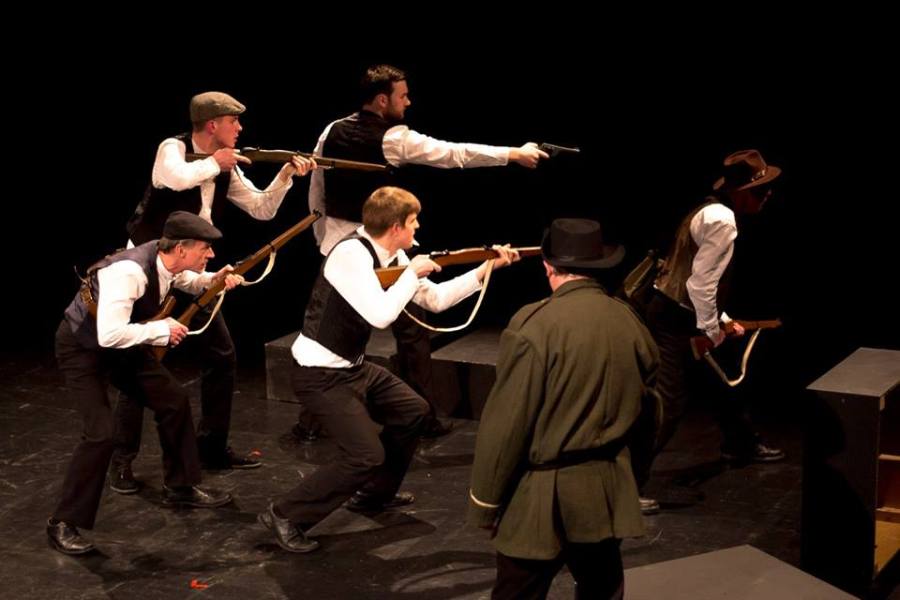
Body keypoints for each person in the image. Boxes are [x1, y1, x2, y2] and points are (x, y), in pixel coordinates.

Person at [259, 186, 519, 553]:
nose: (418, 227)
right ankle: (286, 513)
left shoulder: (393, 255)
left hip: (353, 368)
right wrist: (411, 273)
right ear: (396, 226)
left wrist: (484, 270)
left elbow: (435, 300)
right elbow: (380, 316)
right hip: (319, 374)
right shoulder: (350, 254)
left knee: (413, 411)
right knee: (364, 455)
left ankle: (374, 494)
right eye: (413, 221)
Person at [300, 63, 548, 439]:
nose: (408, 102)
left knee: (338, 329)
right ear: (382, 100)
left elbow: (317, 187)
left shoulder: (332, 129)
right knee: (394, 332)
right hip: (371, 248)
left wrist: (324, 238)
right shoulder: (393, 138)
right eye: (402, 96)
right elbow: (452, 154)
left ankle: (319, 421)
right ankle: (416, 417)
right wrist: (513, 154)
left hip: (343, 246)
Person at [110, 92, 316, 492]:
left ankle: (212, 448)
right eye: (233, 122)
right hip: (149, 271)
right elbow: (174, 178)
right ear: (212, 125)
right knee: (138, 362)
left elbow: (261, 208)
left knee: (222, 356)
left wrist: (285, 176)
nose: (239, 129)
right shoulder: (172, 148)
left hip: (193, 272)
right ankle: (121, 460)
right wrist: (214, 163)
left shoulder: (225, 166)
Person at [468, 218, 658, 600]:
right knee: (602, 590)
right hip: (605, 493)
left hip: (541, 500)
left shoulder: (534, 325)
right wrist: (630, 479)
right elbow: (650, 413)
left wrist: (485, 504)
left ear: (548, 266)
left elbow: (506, 425)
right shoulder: (630, 321)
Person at [48, 211, 239, 555]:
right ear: (181, 249)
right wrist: (161, 330)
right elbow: (108, 335)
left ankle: (180, 486)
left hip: (122, 346)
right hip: (83, 348)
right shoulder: (129, 272)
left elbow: (184, 280)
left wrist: (214, 279)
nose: (210, 254)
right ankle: (63, 522)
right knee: (100, 434)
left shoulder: (166, 261)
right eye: (205, 249)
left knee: (173, 400)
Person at [632, 149, 786, 515]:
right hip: (674, 318)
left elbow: (695, 277)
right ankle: (624, 486)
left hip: (683, 312)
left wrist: (722, 319)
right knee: (669, 403)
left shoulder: (711, 209)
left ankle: (740, 442)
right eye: (760, 191)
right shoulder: (723, 221)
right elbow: (700, 285)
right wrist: (713, 329)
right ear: (741, 193)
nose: (767, 196)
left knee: (721, 381)